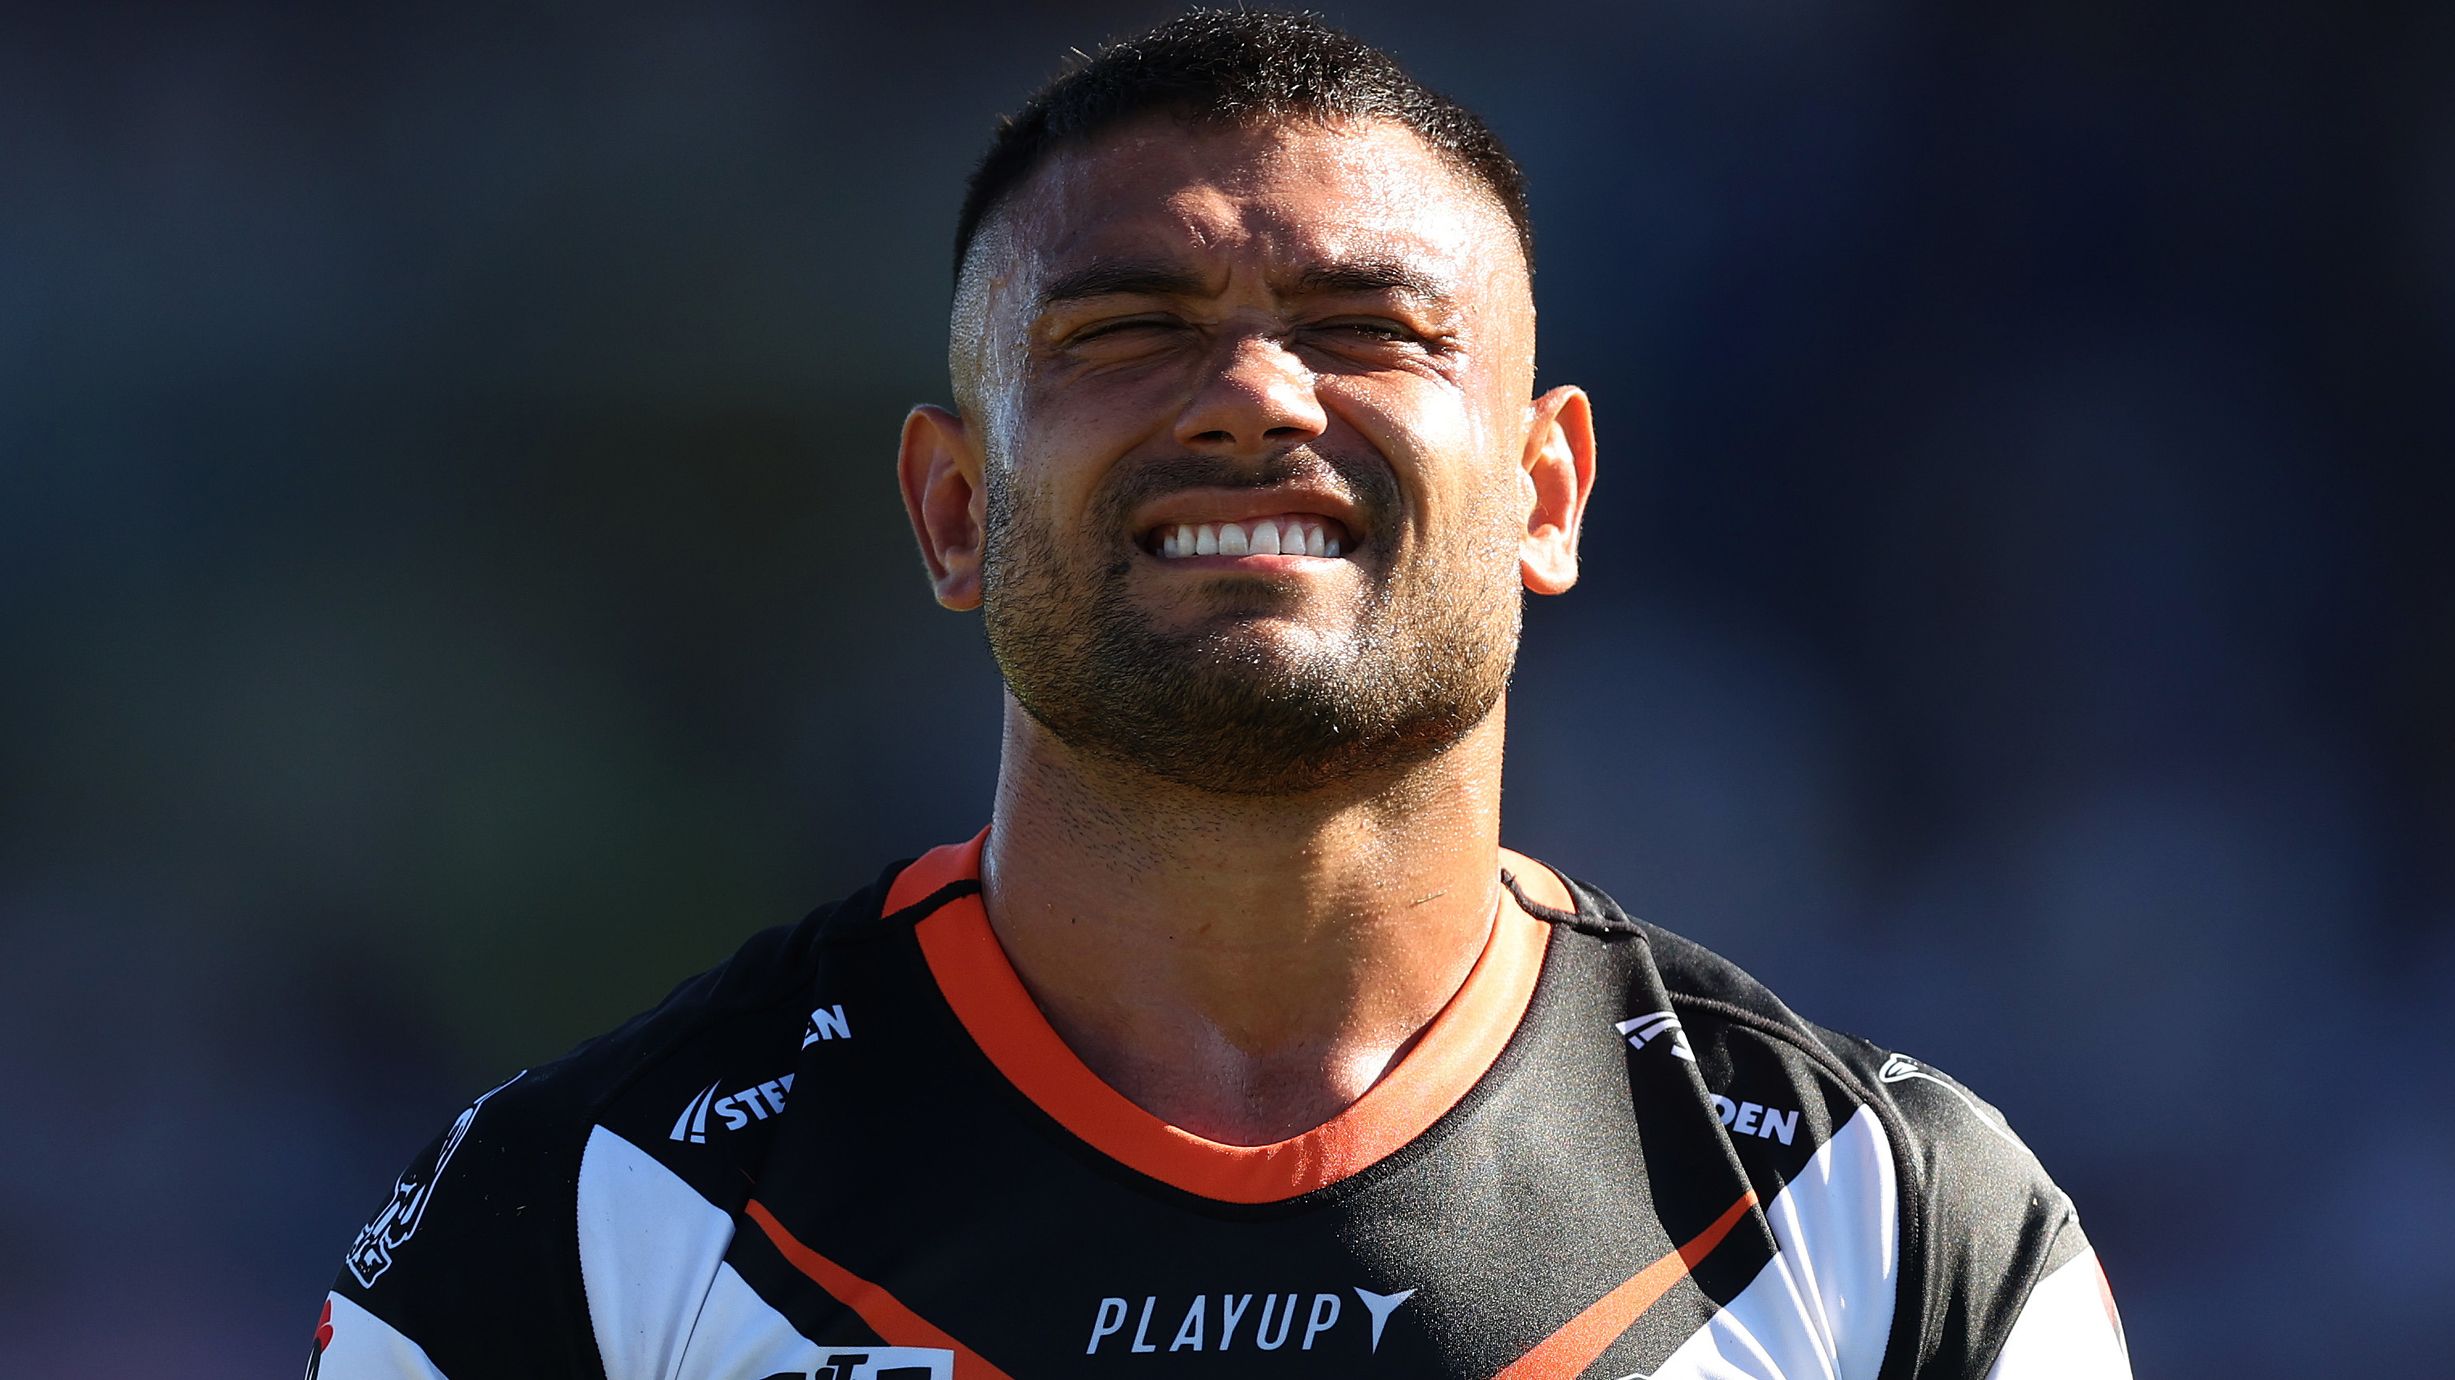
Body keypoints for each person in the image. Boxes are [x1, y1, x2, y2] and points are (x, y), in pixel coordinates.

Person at [308, 11, 2130, 1378]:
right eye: (1123, 331)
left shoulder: (1892, 1236)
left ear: (1547, 491)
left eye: (1367, 329)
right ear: (955, 506)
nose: (1255, 396)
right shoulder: (584, 1234)